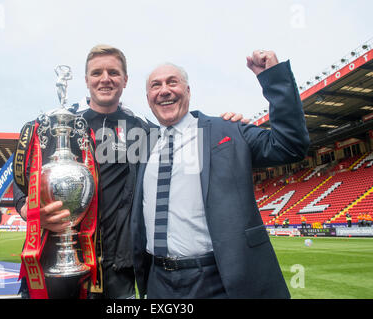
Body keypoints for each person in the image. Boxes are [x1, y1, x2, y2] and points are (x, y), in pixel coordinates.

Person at [13, 44, 247, 299]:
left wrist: (229, 126)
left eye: (113, 72)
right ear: (86, 80)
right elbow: (23, 171)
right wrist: (26, 207)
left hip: (119, 271)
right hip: (58, 262)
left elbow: (187, 140)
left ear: (125, 80)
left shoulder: (144, 131)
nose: (105, 79)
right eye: (97, 73)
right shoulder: (60, 125)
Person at [131, 50, 310, 299]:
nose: (164, 90)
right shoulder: (145, 146)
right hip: (158, 282)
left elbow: (289, 145)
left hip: (216, 281)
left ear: (188, 90)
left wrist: (273, 78)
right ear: (148, 98)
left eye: (172, 82)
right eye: (155, 85)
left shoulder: (227, 130)